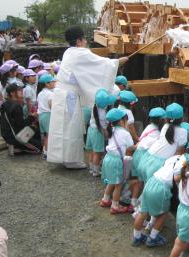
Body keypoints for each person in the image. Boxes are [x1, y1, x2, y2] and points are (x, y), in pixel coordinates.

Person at [47, 26, 128, 169]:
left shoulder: (68, 52)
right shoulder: (81, 53)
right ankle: (71, 160)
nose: (85, 41)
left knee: (60, 127)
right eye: (83, 39)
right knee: (72, 127)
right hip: (69, 96)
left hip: (60, 93)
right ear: (79, 41)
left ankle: (59, 157)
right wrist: (118, 62)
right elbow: (102, 64)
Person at [132, 138, 189, 248]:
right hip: (161, 188)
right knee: (163, 213)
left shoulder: (176, 158)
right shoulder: (186, 167)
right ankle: (153, 238)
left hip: (152, 181)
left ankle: (137, 237)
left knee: (143, 211)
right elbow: (176, 178)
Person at [99, 107, 135, 214]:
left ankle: (105, 200)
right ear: (120, 121)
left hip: (108, 158)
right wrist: (139, 145)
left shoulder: (112, 130)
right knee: (118, 185)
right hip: (116, 161)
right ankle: (115, 206)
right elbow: (131, 147)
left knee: (111, 181)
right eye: (125, 120)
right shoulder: (125, 133)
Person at [130, 107, 166, 210]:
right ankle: (142, 205)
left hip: (137, 154)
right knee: (147, 182)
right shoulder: (159, 133)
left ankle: (133, 200)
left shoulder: (149, 127)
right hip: (144, 156)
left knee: (139, 180)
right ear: (162, 120)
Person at [0, 83, 41, 154]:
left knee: (36, 130)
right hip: (15, 137)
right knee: (41, 148)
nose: (22, 91)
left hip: (8, 134)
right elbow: (21, 125)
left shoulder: (7, 103)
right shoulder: (16, 106)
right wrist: (32, 117)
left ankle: (17, 146)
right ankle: (17, 147)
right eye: (19, 90)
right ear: (12, 93)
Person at [86, 88, 117, 177]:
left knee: (92, 151)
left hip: (91, 130)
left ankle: (92, 169)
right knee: (98, 153)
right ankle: (96, 171)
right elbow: (104, 126)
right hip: (97, 132)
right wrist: (106, 133)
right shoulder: (103, 112)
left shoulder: (94, 107)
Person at [37, 73, 56, 160]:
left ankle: (45, 151)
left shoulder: (40, 93)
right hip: (48, 115)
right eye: (52, 82)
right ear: (46, 84)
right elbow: (52, 106)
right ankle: (47, 153)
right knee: (49, 135)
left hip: (41, 115)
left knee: (45, 135)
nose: (53, 83)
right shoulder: (49, 94)